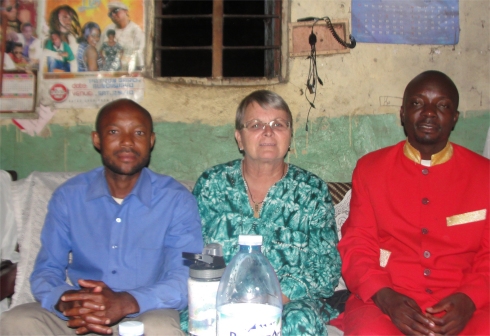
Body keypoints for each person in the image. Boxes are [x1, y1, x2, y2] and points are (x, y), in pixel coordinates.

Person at [0, 99, 204, 335]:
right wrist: (67, 300)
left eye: (138, 132)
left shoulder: (176, 200)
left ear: (151, 141)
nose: (127, 141)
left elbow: (184, 277)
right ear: (97, 139)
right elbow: (46, 270)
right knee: (18, 321)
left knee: (160, 328)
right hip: (80, 313)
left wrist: (126, 302)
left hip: (143, 310)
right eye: (114, 131)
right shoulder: (69, 196)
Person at [337, 70, 489, 335]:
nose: (429, 112)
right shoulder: (370, 169)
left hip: (467, 303)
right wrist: (385, 298)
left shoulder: (484, 174)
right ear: (402, 113)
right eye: (417, 103)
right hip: (388, 300)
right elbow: (357, 245)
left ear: (454, 118)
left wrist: (470, 299)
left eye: (442, 105)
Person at [183, 90, 342, 335]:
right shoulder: (212, 185)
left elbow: (327, 268)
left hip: (289, 305)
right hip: (221, 301)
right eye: (256, 125)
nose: (268, 132)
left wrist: (277, 295)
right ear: (239, 138)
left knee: (299, 323)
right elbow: (192, 253)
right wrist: (225, 294)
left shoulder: (311, 191)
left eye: (278, 124)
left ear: (289, 136)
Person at [99, 1, 145, 72]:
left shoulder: (136, 31)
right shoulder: (107, 30)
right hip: (108, 75)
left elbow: (140, 59)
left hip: (129, 77)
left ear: (125, 11)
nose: (113, 15)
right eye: (110, 14)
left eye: (116, 10)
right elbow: (99, 52)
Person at [47, 5, 82, 72]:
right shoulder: (48, 39)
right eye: (65, 17)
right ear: (56, 19)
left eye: (70, 18)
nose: (68, 22)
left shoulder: (73, 38)